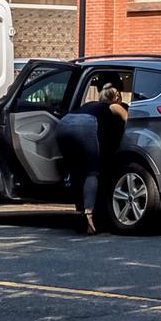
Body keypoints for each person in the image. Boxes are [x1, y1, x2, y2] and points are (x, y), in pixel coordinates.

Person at [55, 81, 128, 234]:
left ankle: (80, 211)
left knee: (76, 171)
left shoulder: (90, 104)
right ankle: (89, 216)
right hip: (85, 125)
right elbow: (128, 121)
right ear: (116, 97)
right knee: (91, 171)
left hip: (63, 124)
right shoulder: (113, 105)